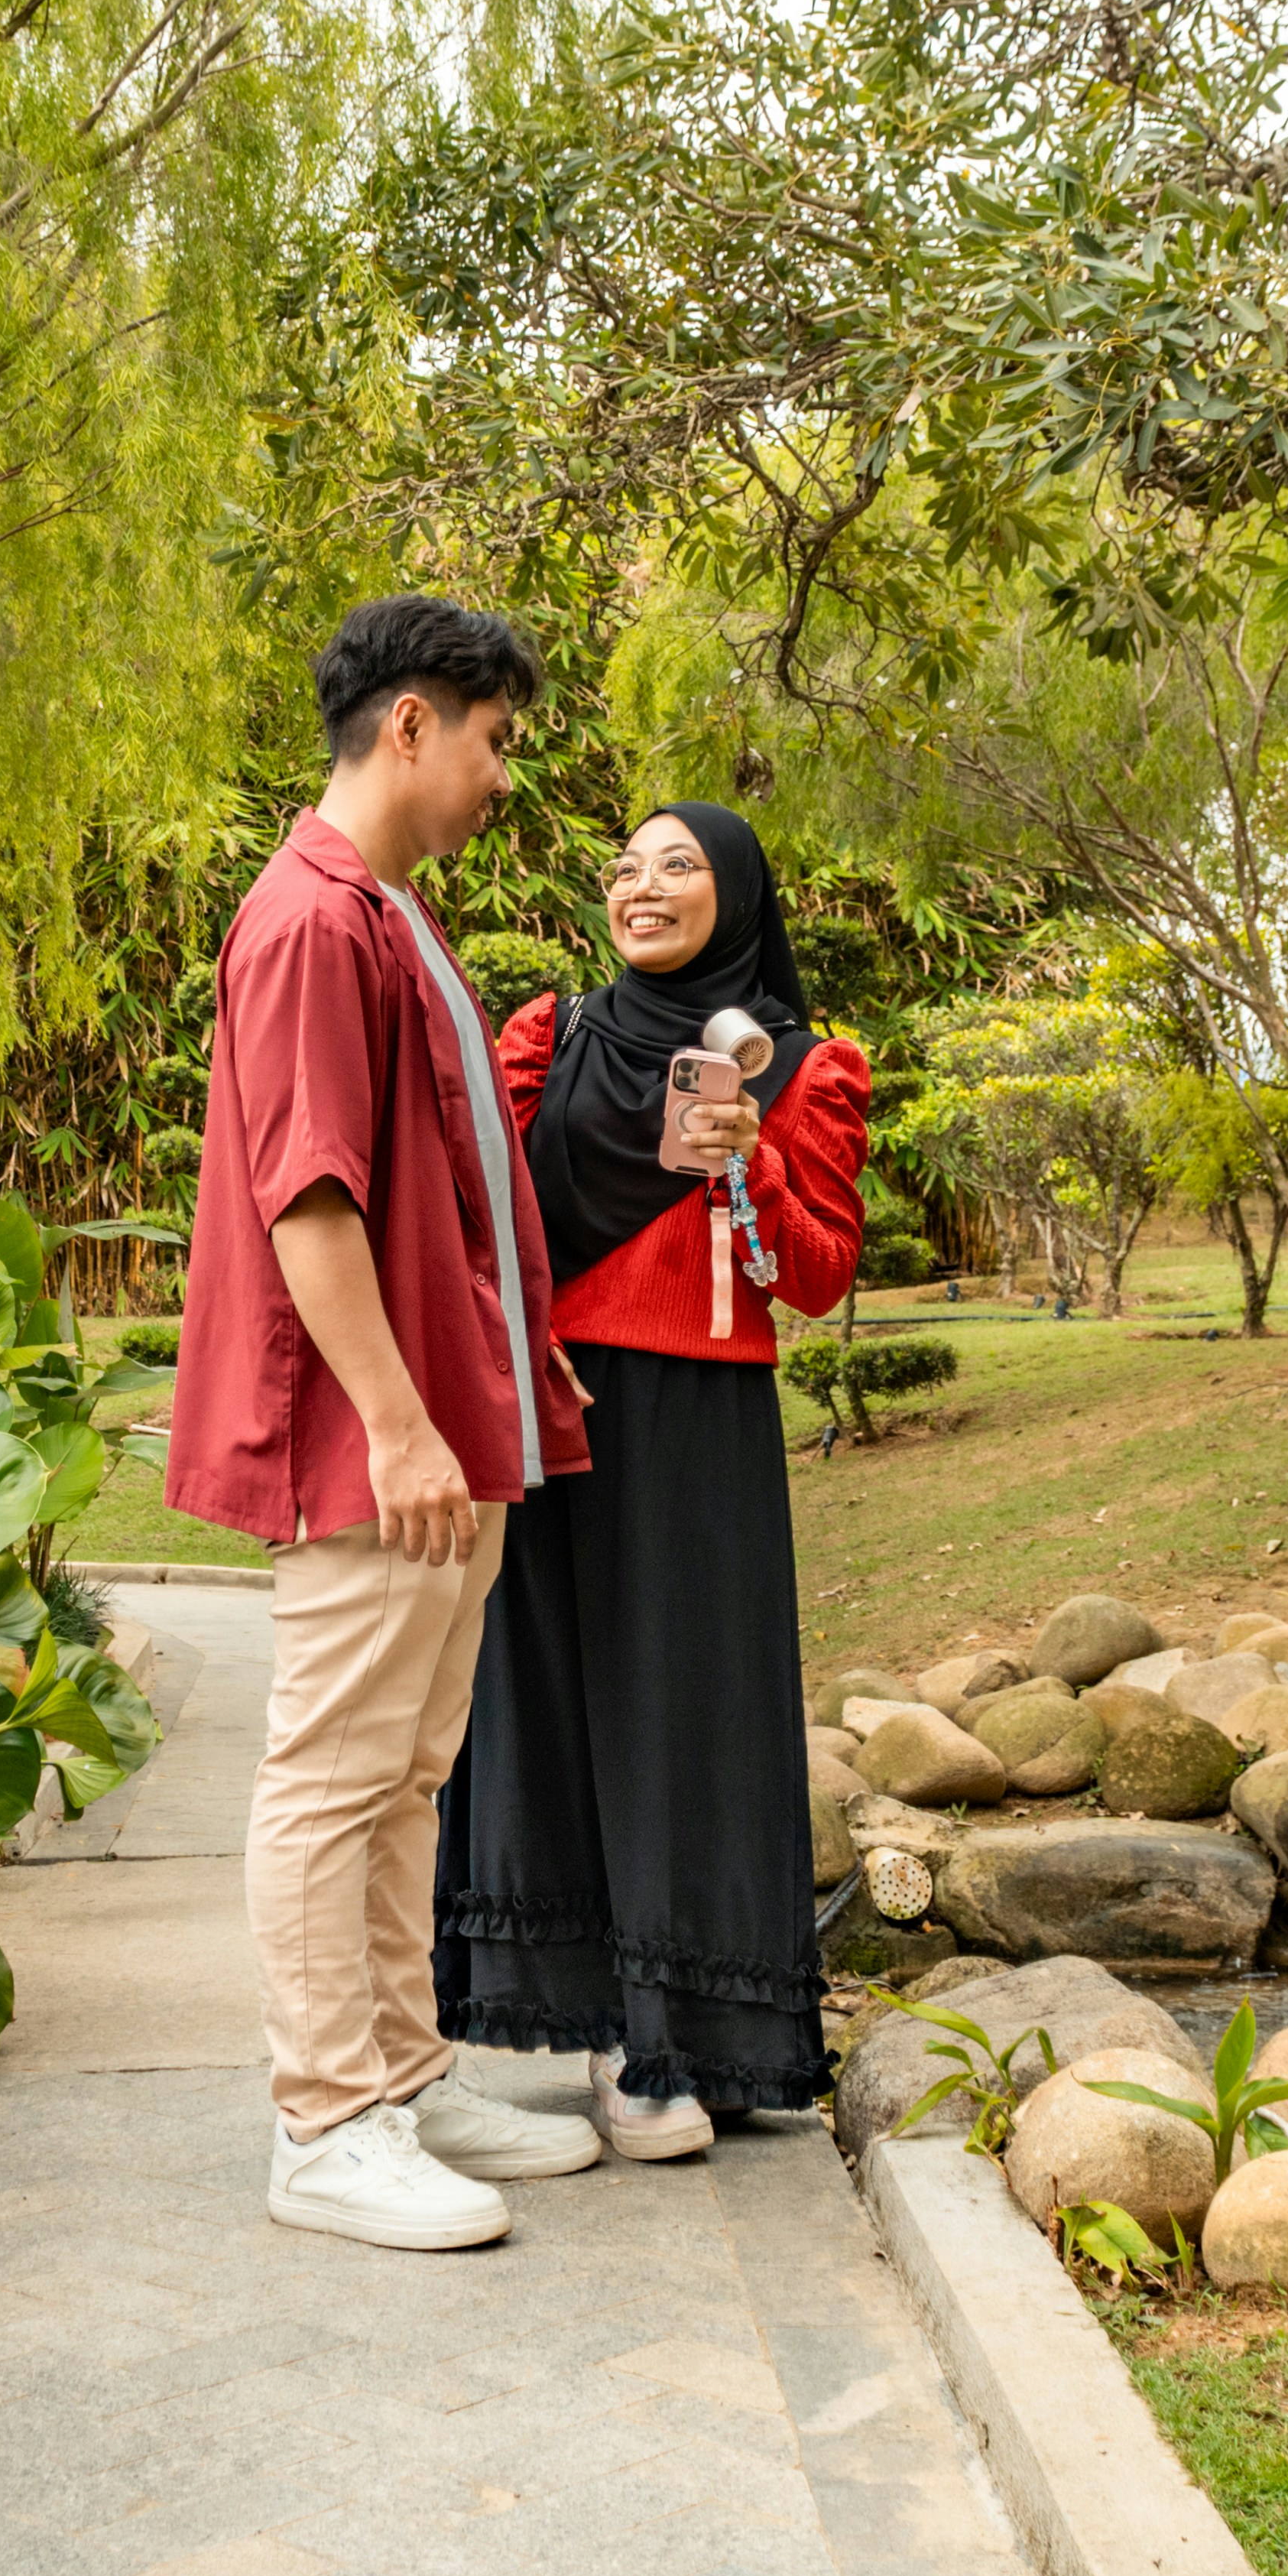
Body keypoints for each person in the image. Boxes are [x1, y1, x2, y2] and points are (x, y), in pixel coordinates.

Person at [168, 594, 603, 2250]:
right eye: (497, 740)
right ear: (413, 722)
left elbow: (458, 1190)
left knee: (408, 1770)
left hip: (440, 1422)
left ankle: (404, 2074)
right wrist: (402, 1424)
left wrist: (494, 1391)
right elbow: (313, 1200)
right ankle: (325, 2118)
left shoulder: (393, 914)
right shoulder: (309, 922)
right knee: (334, 1769)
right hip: (376, 1436)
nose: (506, 776)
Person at [435, 803, 871, 2155]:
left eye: (677, 864)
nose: (642, 885)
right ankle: (597, 2042)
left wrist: (753, 1170)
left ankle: (681, 2045)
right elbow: (488, 1223)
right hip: (558, 1410)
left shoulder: (806, 1068)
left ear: (735, 892)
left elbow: (818, 1277)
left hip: (701, 1420)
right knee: (556, 1712)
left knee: (687, 1718)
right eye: (625, 866)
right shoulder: (546, 1039)